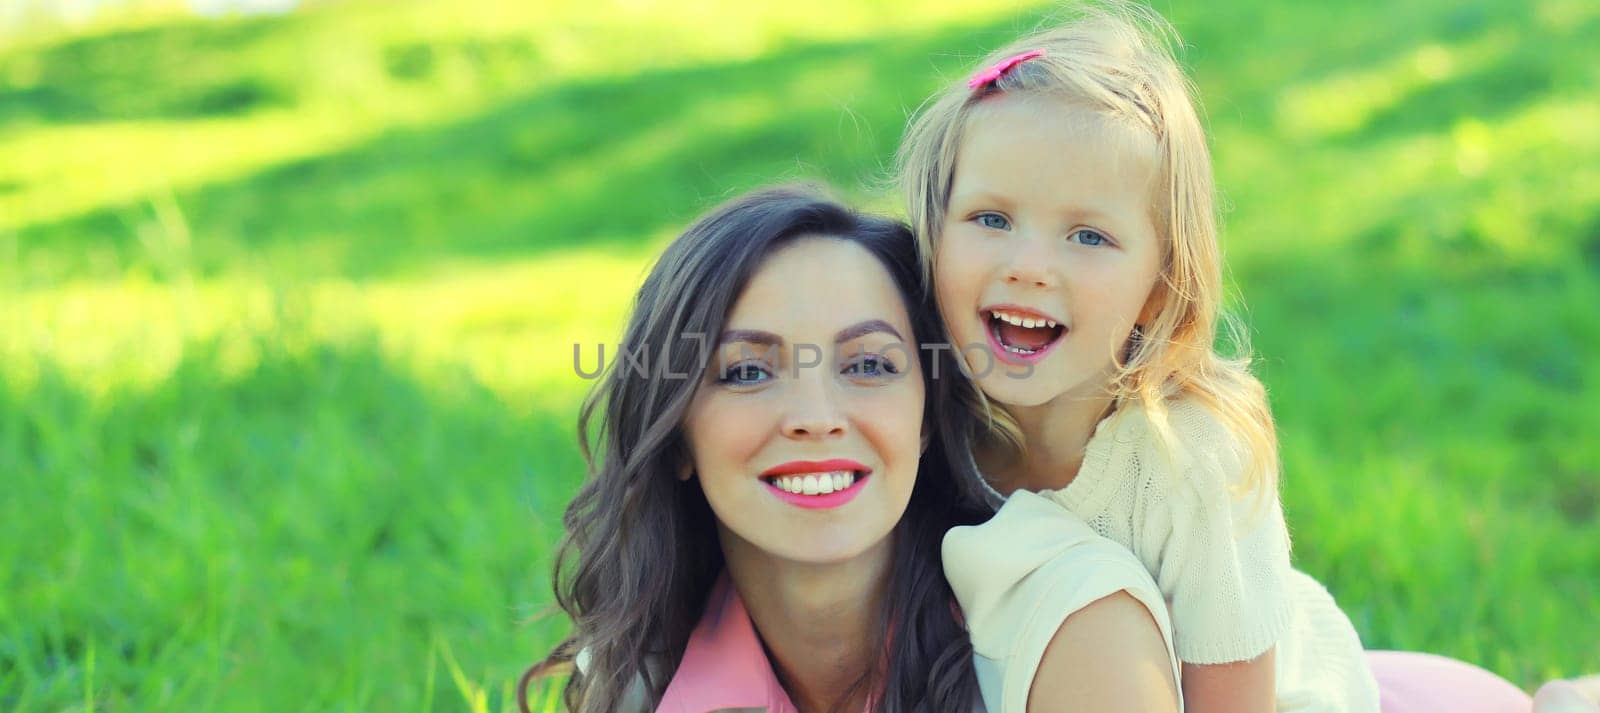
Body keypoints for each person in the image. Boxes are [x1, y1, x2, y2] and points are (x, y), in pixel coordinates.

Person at [897, 3, 1585, 712]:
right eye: (992, 219)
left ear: (1160, 287)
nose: (1030, 265)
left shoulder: (1188, 459)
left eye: (1088, 236)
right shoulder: (921, 413)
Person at [520, 184, 1180, 712]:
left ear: (925, 414)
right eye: (747, 371)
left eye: (868, 365)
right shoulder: (645, 677)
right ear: (677, 434)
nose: (816, 418)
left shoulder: (1067, 620)